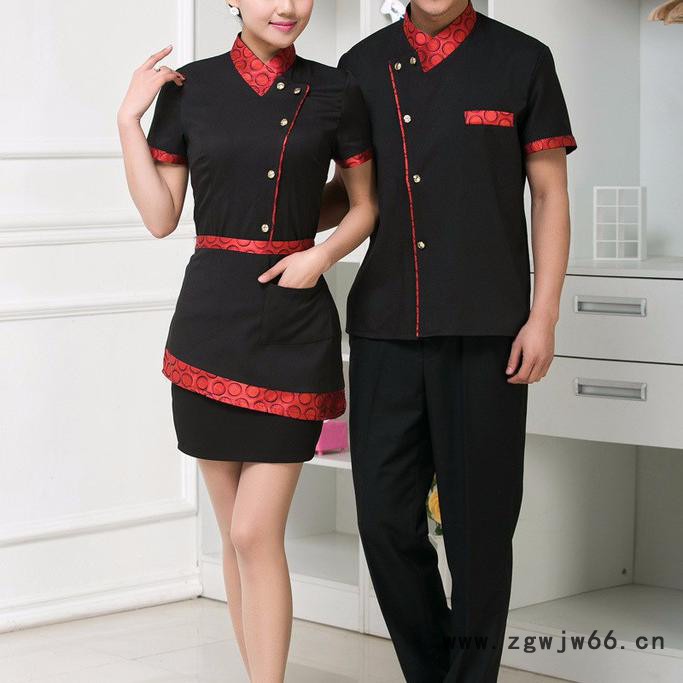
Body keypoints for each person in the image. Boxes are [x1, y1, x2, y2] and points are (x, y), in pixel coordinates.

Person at [117, 0, 377, 680]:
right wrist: (127, 122)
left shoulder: (336, 90)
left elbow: (365, 205)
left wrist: (320, 256)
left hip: (294, 326)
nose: (286, 6)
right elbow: (160, 217)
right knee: (235, 536)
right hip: (208, 327)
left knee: (253, 531)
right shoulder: (189, 88)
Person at [321, 1, 577, 680]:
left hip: (487, 328)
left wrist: (544, 315)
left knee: (479, 534)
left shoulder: (522, 60)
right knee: (382, 520)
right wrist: (254, 203)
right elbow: (349, 193)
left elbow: (549, 194)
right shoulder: (360, 67)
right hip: (385, 326)